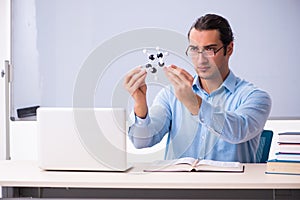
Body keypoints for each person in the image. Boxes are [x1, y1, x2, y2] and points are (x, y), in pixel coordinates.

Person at [123, 14, 271, 163]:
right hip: (181, 185)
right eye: (194, 49)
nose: (201, 60)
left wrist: (195, 104)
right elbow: (141, 142)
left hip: (228, 185)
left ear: (229, 49)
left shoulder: (255, 97)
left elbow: (238, 131)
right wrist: (140, 105)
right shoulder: (170, 95)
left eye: (210, 50)